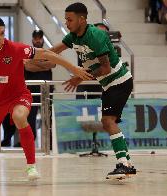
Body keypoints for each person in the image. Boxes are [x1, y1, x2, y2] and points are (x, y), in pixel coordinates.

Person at [0, 16, 91, 184]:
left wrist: (73, 68)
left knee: (19, 116)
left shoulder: (15, 48)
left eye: (2, 33)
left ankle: (31, 166)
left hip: (19, 95)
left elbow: (46, 53)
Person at [50, 2, 136, 180]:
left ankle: (124, 164)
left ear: (82, 19)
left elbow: (105, 68)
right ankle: (127, 163)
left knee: (107, 121)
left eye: (70, 19)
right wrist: (31, 57)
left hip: (119, 81)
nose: (67, 23)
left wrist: (79, 77)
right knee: (109, 122)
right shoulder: (73, 36)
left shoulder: (95, 36)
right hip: (109, 84)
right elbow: (53, 51)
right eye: (65, 19)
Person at [1, 29, 56, 148]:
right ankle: (28, 140)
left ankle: (50, 143)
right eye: (35, 38)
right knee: (29, 117)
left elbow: (52, 64)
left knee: (49, 117)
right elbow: (29, 67)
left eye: (39, 38)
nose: (37, 40)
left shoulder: (48, 52)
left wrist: (32, 63)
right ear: (32, 39)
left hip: (47, 90)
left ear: (42, 39)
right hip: (31, 91)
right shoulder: (27, 52)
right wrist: (41, 64)